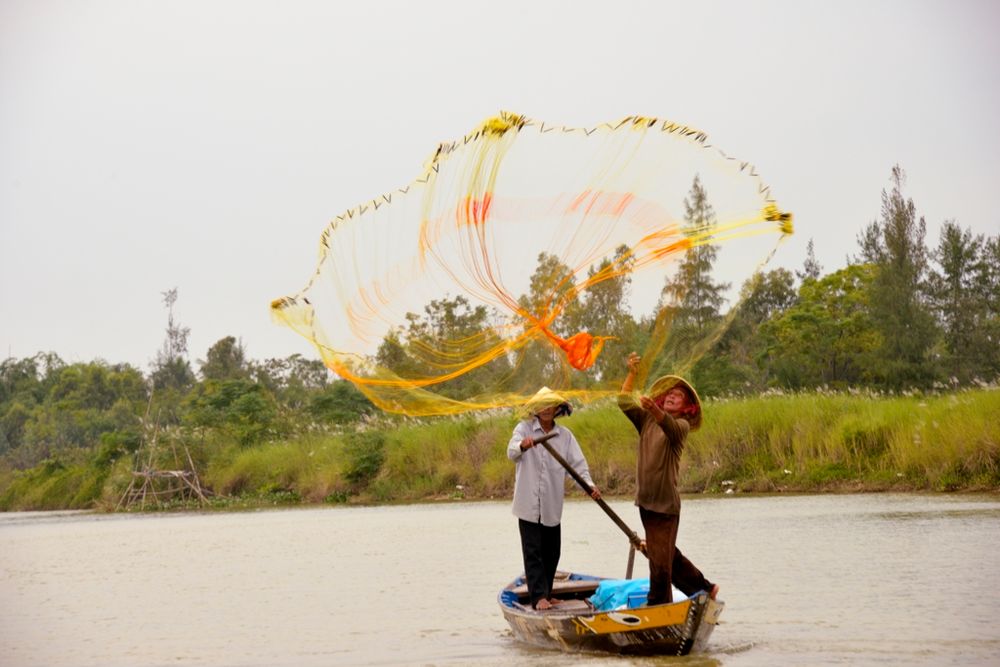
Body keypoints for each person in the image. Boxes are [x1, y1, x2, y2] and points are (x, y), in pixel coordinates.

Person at [619, 352, 719, 605]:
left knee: (660, 566)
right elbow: (623, 401)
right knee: (665, 555)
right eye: (670, 393)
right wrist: (632, 373)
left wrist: (656, 409)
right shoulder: (646, 420)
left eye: (680, 396)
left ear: (687, 407)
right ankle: (704, 587)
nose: (673, 396)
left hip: (665, 506)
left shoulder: (681, 425)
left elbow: (670, 427)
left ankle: (658, 605)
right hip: (645, 502)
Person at [508, 386, 601, 610]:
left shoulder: (565, 437)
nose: (546, 409)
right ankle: (538, 597)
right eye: (542, 405)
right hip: (527, 504)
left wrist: (589, 486)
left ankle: (547, 593)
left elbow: (577, 467)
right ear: (535, 409)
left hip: (550, 504)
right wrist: (523, 445)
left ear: (557, 409)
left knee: (552, 550)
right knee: (534, 552)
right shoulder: (524, 429)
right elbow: (511, 452)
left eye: (550, 405)